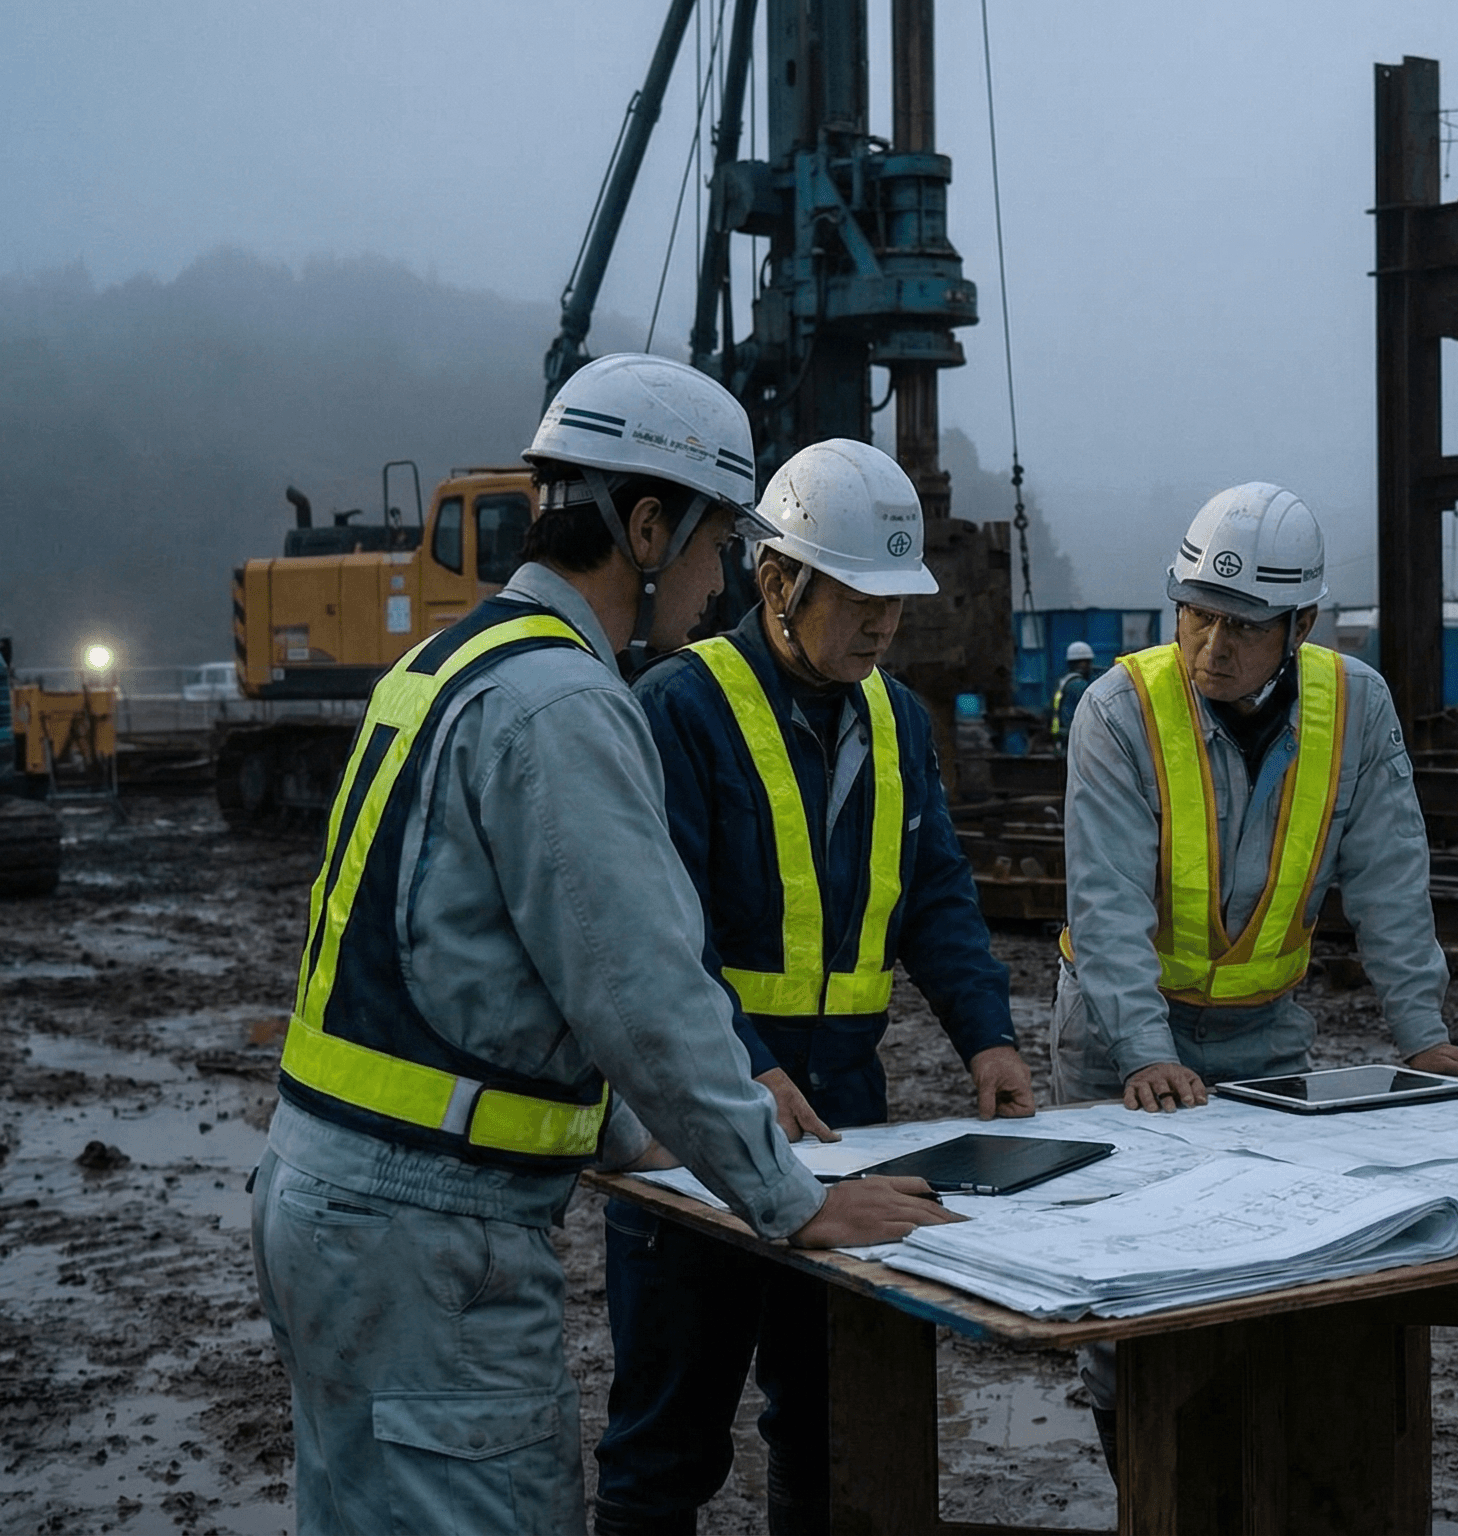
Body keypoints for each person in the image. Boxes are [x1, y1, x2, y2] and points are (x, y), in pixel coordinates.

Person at [248, 354, 955, 1536]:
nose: (719, 573)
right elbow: (642, 993)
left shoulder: (443, 666)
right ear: (644, 526)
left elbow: (465, 970)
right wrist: (788, 1200)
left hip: (324, 1203)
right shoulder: (566, 705)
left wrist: (630, 1138)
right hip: (437, 1241)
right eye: (716, 541)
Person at [592, 438, 1036, 1534]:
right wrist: (747, 1064)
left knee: (833, 1423)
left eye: (895, 599)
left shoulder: (897, 722)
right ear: (775, 578)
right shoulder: (679, 709)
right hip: (701, 1119)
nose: (885, 625)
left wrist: (989, 1036)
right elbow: (658, 939)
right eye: (858, 596)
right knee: (668, 1439)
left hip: (847, 1124)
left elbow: (934, 897)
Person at [1052, 481, 1458, 1442]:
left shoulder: (1356, 711)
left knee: (1266, 1265)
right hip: (1116, 1041)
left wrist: (1423, 1036)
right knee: (1124, 1286)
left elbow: (1393, 880)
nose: (1211, 648)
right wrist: (1145, 1052)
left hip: (1265, 1037)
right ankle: (1138, 1473)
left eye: (1242, 626)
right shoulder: (1118, 713)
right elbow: (1104, 907)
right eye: (1195, 615)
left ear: (1302, 624)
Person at [1050, 639, 1098, 749]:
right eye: (1086, 663)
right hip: (1072, 738)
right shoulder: (1079, 685)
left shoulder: (1063, 681)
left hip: (1060, 735)